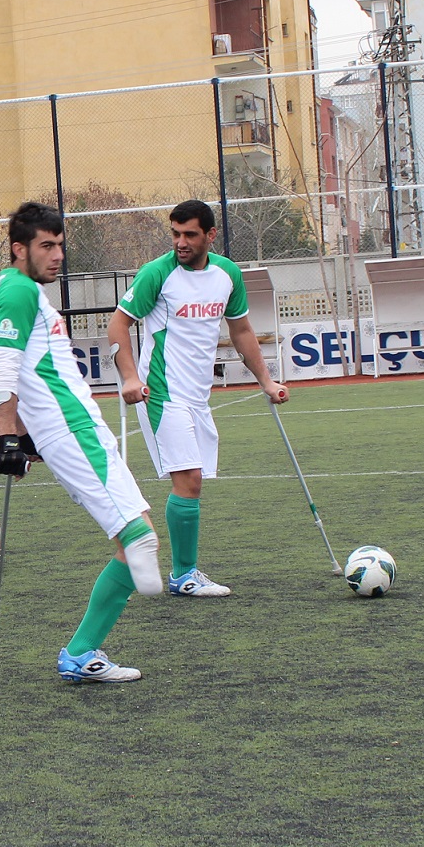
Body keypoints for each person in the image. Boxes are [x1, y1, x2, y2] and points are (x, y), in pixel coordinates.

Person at [0, 201, 164, 684]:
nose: (57, 254)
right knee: (140, 540)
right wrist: (8, 436)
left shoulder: (22, 291)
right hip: (71, 430)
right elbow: (3, 372)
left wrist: (23, 438)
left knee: (137, 539)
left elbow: (30, 367)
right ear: (18, 248)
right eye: (46, 245)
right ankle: (80, 653)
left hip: (71, 427)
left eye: (61, 244)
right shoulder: (18, 293)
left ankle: (82, 652)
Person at [108, 200, 289, 597]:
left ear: (210, 235)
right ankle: (183, 575)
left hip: (197, 398)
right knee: (188, 480)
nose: (180, 242)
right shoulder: (158, 273)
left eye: (189, 234)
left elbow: (241, 330)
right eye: (175, 234)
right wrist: (129, 377)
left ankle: (183, 573)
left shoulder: (227, 274)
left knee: (196, 482)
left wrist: (266, 381)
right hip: (162, 393)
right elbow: (119, 322)